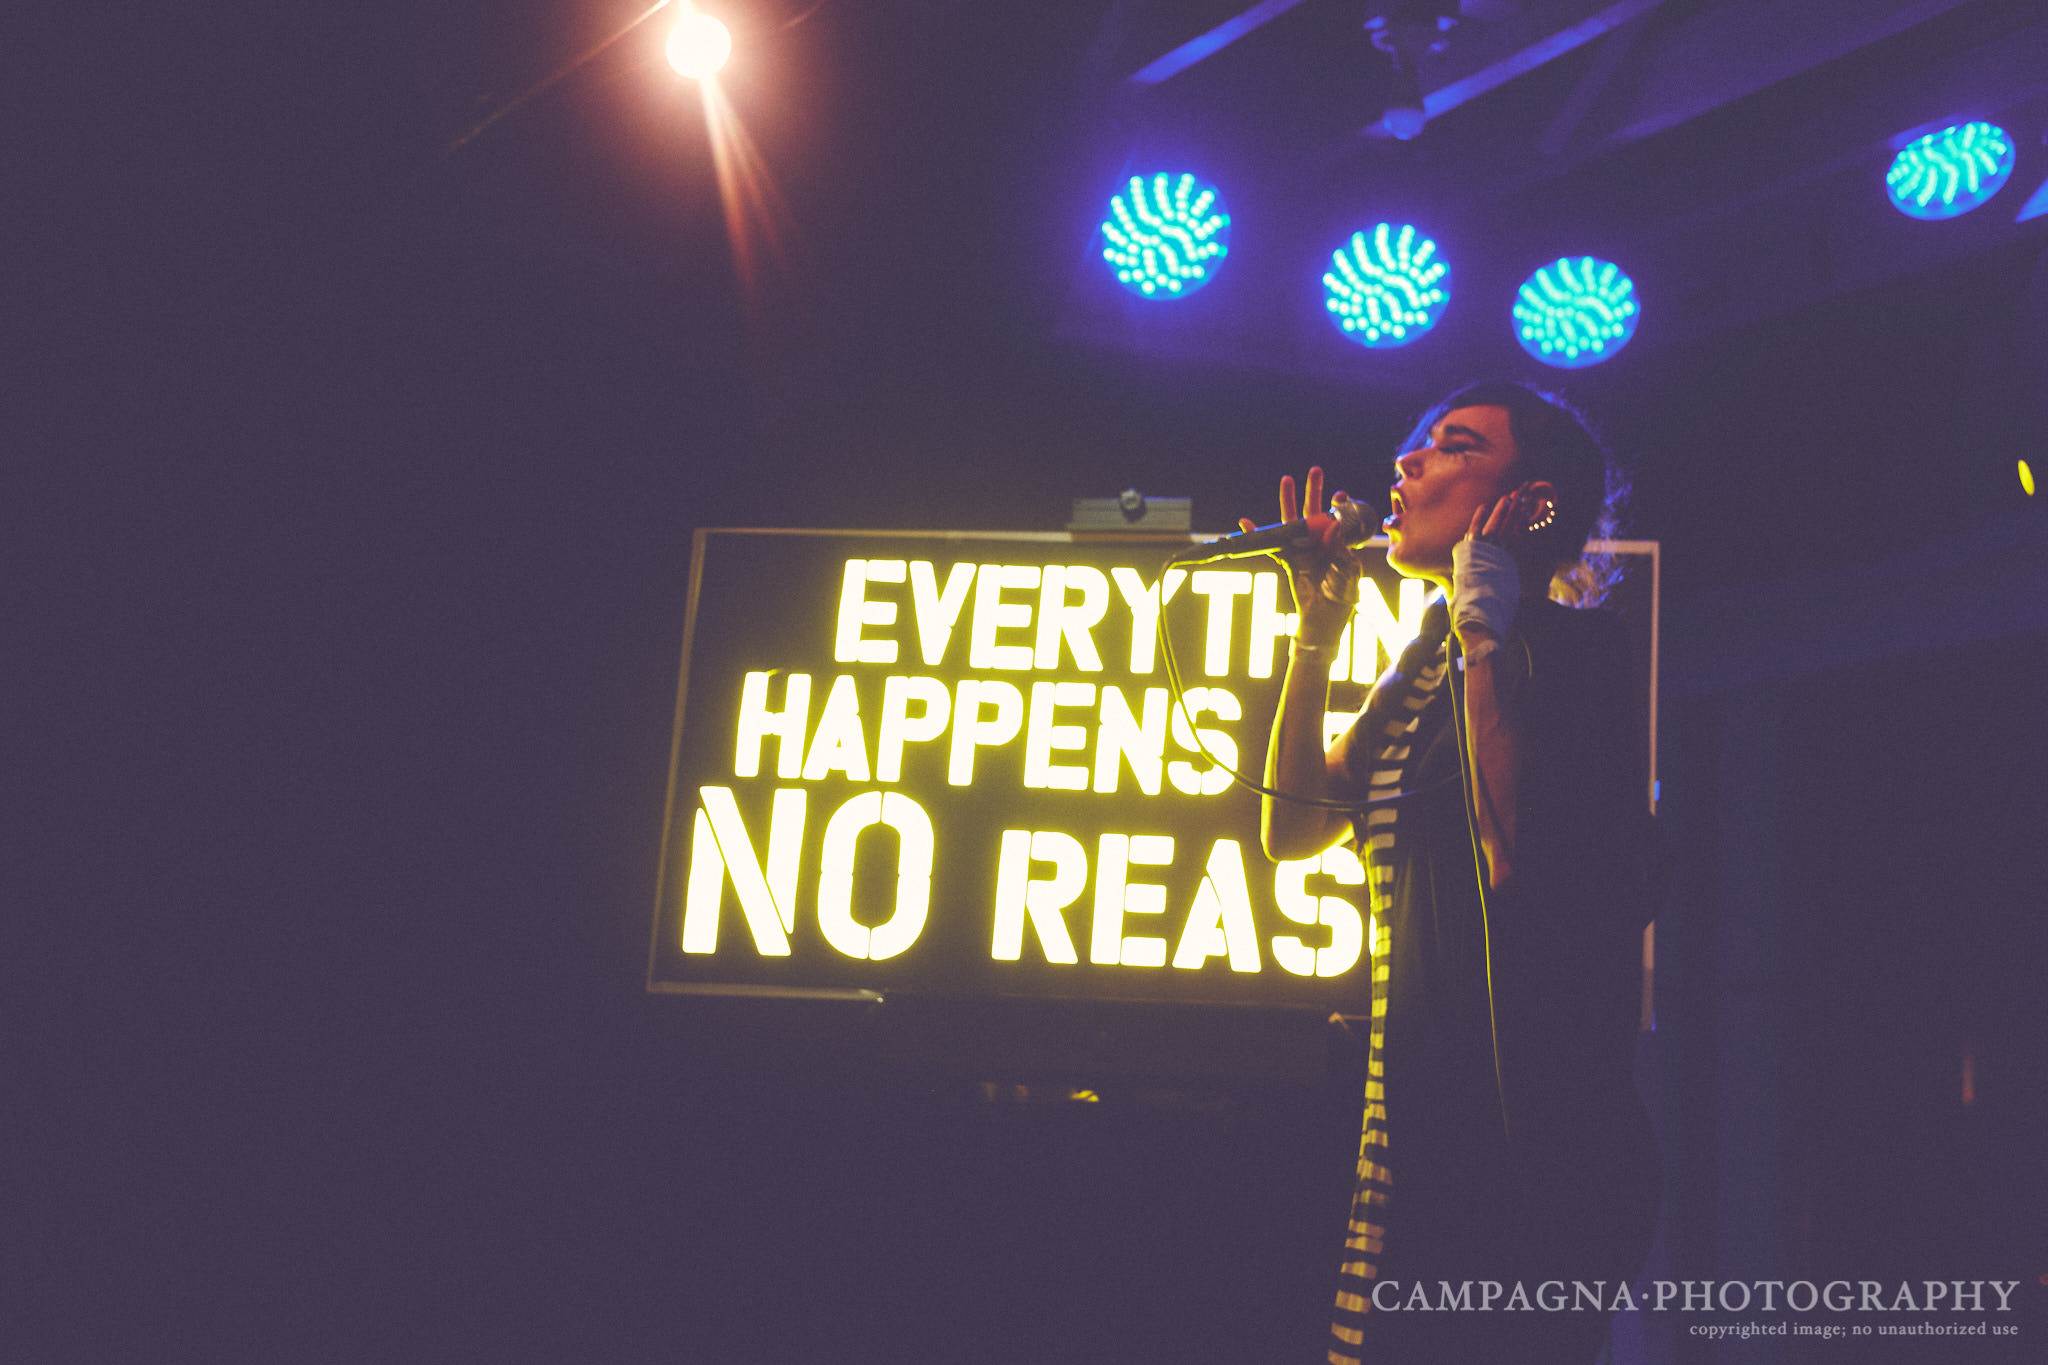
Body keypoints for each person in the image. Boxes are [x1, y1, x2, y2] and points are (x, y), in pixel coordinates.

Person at [1242, 381, 1659, 1364]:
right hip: (1408, 1139)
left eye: (1456, 446)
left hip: (1522, 1162)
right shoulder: (1422, 668)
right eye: (1420, 443)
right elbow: (1292, 829)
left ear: (1529, 502)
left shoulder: (1573, 655)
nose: (1407, 462)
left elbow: (1509, 853)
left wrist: (1483, 626)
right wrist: (1315, 634)